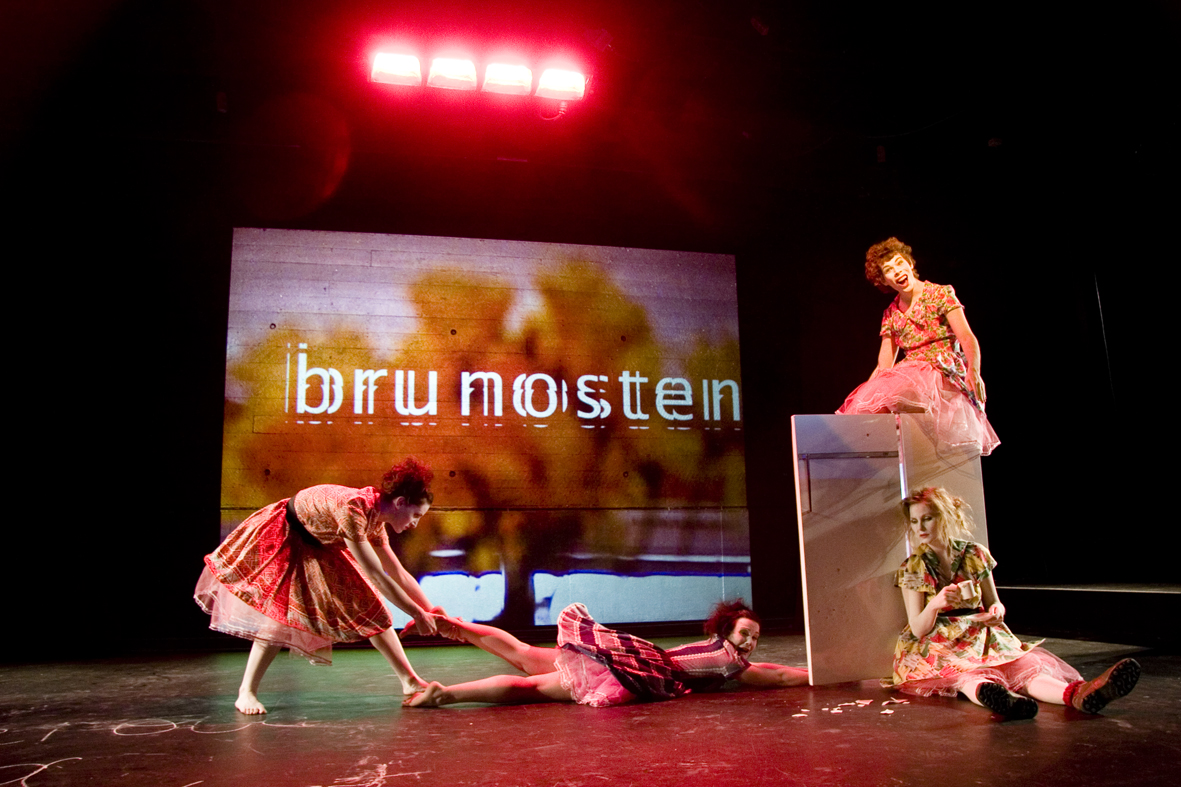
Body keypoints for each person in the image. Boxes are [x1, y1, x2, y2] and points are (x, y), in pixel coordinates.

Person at [195, 458, 443, 714]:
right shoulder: (353, 510)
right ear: (400, 503)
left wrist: (431, 610)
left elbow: (398, 572)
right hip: (287, 536)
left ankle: (410, 682)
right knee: (279, 618)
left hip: (320, 543)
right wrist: (417, 614)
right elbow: (379, 576)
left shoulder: (376, 519)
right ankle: (246, 692)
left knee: (371, 607)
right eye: (415, 515)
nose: (415, 523)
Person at [886, 487, 1139, 719]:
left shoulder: (974, 554)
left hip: (980, 633)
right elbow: (917, 628)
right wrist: (936, 604)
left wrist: (996, 611)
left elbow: (994, 603)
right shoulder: (915, 566)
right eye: (915, 521)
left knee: (1025, 670)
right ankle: (1005, 700)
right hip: (939, 640)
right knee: (967, 676)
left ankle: (1078, 694)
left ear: (945, 517)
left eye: (927, 518)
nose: (920, 527)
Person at [403, 600, 808, 707]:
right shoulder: (728, 659)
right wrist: (821, 672)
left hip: (633, 655)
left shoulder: (720, 651)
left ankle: (452, 626)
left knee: (525, 654)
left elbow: (765, 667)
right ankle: (444, 694)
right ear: (727, 632)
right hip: (634, 669)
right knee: (532, 687)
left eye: (754, 638)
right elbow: (776, 675)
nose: (749, 643)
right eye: (744, 634)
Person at [838, 237, 1000, 456]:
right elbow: (884, 366)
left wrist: (974, 371)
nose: (897, 271)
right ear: (884, 280)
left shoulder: (940, 294)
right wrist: (866, 398)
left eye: (899, 263)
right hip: (913, 375)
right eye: (888, 270)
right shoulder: (891, 314)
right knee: (879, 402)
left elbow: (967, 337)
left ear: (909, 263)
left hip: (943, 372)